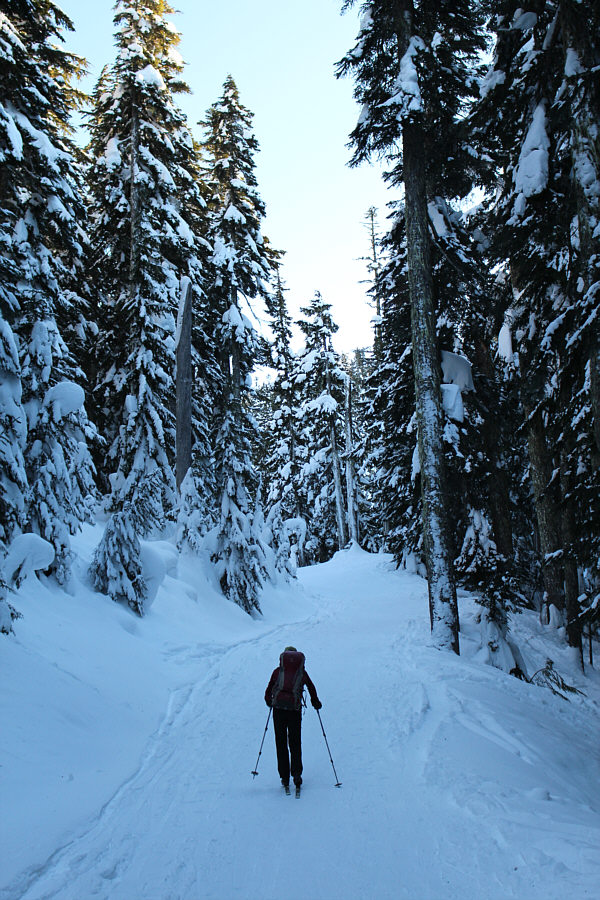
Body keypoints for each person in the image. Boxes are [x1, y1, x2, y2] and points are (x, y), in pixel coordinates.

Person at [264, 646, 322, 791]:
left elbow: (269, 688)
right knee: (295, 742)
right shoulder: (301, 673)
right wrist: (315, 701)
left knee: (281, 742)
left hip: (278, 710)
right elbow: (311, 687)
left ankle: (284, 777)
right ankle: (297, 775)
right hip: (294, 711)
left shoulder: (278, 672)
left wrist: (269, 701)